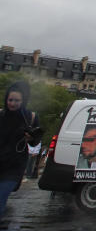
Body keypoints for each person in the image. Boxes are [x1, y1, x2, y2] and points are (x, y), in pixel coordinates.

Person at [1, 81, 42, 218]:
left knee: (1, 197)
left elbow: (35, 142)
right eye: (10, 100)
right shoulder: (1, 115)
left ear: (23, 100)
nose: (12, 103)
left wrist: (31, 138)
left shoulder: (31, 117)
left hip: (14, 167)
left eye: (17, 100)